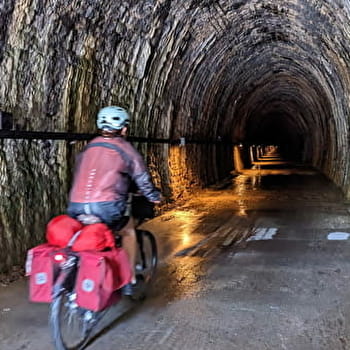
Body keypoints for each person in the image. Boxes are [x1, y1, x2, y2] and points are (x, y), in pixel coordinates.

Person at [67, 106, 161, 295]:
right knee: (128, 231)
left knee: (88, 234)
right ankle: (130, 278)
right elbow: (141, 177)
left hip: (76, 206)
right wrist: (153, 196)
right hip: (106, 206)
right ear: (124, 129)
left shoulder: (88, 148)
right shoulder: (125, 149)